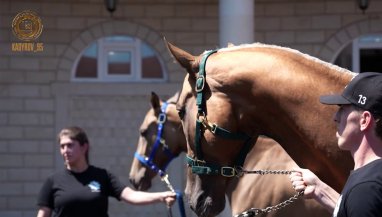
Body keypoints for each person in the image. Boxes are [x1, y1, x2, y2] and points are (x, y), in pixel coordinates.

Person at [289, 72, 382, 217]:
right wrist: (319, 190)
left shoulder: (365, 189)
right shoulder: (370, 182)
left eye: (343, 109)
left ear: (364, 120)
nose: (335, 117)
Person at [37, 126, 176, 217]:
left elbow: (131, 196)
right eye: (62, 146)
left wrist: (161, 196)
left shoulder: (102, 176)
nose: (65, 151)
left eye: (70, 145)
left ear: (84, 147)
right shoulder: (53, 181)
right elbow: (43, 214)